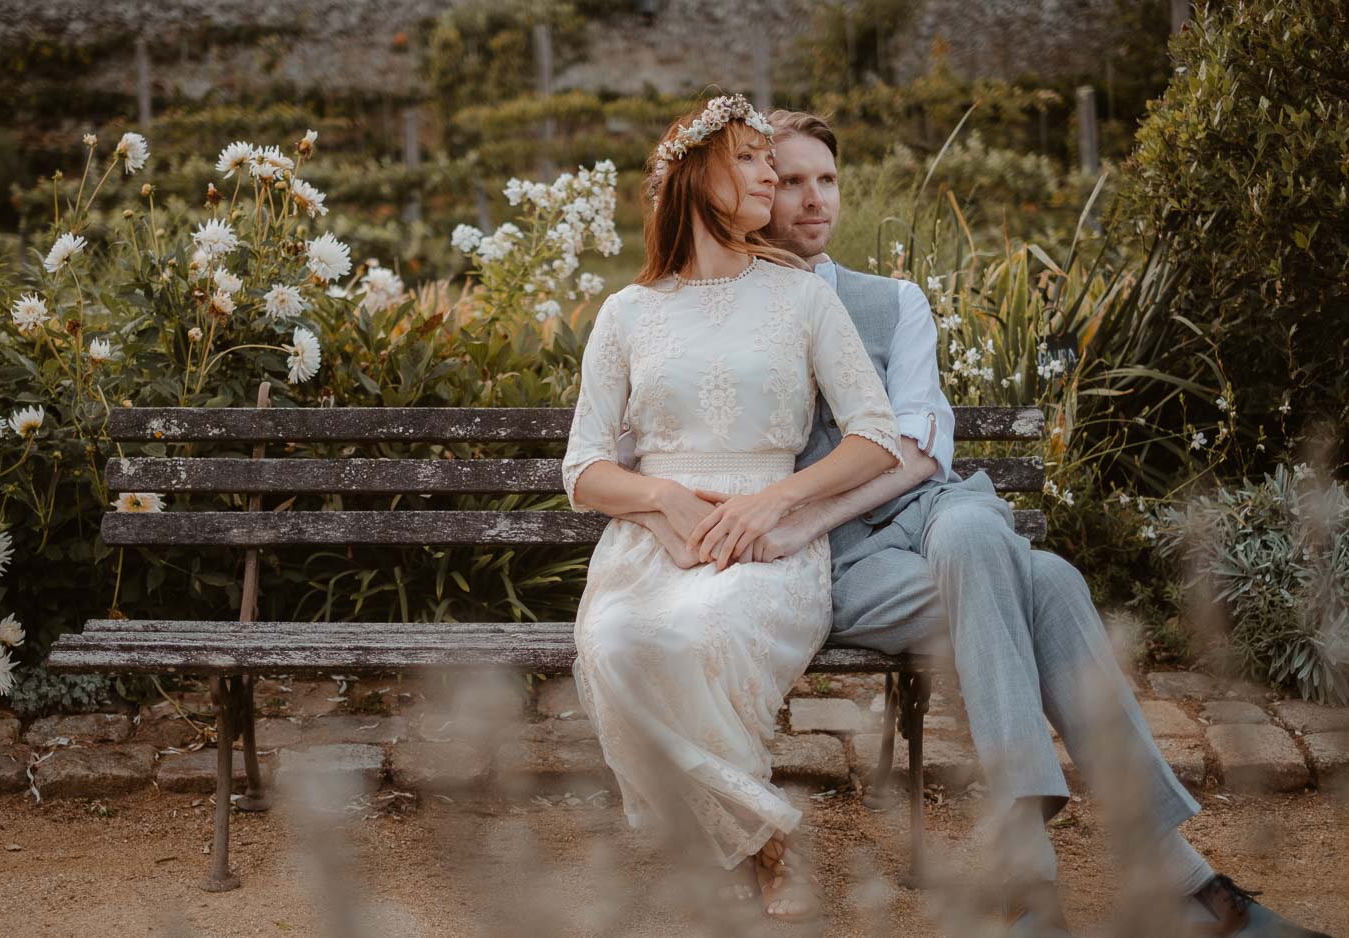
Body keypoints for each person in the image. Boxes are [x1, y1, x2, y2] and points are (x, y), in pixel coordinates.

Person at [629, 108, 1332, 938]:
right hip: (845, 567)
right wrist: (786, 524)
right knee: (1051, 582)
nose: (813, 200)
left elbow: (923, 449)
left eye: (828, 180)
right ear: (745, 192)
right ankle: (1179, 883)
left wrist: (797, 509)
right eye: (787, 181)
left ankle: (1030, 876)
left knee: (970, 535)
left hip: (934, 515)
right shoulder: (733, 309)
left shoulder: (894, 301)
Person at [561, 93, 903, 924]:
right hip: (651, 543)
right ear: (695, 173)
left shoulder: (801, 299)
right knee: (613, 641)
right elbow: (581, 469)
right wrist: (662, 496)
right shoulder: (628, 313)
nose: (771, 173)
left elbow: (878, 437)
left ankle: (734, 837)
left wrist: (773, 501)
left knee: (694, 636)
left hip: (770, 540)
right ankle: (758, 831)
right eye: (749, 157)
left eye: (768, 158)